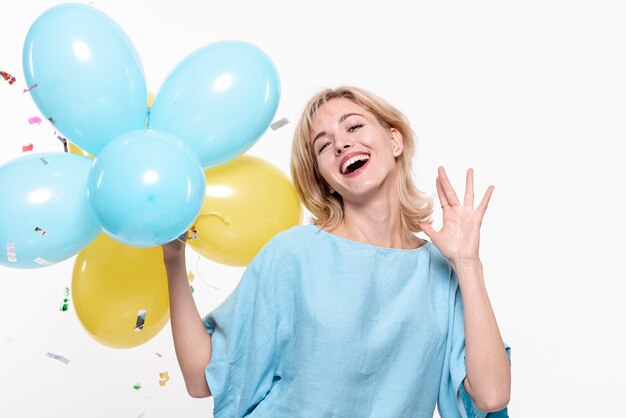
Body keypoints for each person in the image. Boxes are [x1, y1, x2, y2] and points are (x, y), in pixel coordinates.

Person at [162, 86, 511, 418]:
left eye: (354, 126)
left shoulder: (439, 272)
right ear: (326, 180)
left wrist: (467, 264)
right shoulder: (294, 255)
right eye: (324, 146)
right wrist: (173, 259)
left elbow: (492, 395)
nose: (342, 143)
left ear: (394, 140)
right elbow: (201, 377)